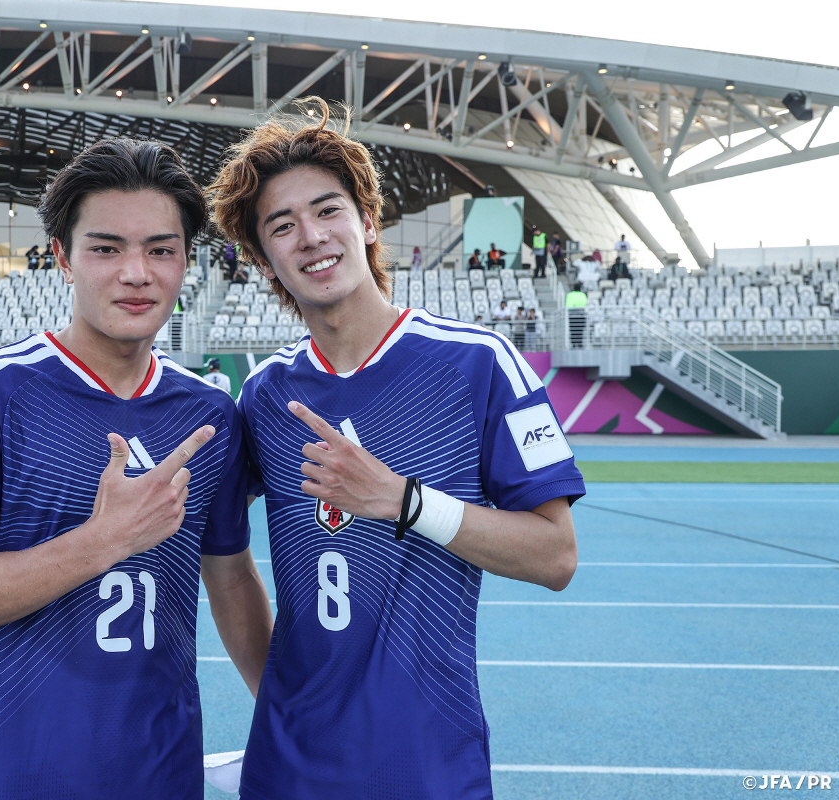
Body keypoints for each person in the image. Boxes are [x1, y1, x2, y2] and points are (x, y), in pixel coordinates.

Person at [208, 97, 583, 799]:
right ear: (262, 260)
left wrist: (405, 501)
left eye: (328, 210)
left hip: (427, 763)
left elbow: (556, 557)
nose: (311, 237)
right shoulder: (263, 395)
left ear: (368, 221)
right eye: (282, 226)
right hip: (289, 768)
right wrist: (285, 703)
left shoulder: (477, 364)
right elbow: (224, 564)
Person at [0, 137, 272, 799]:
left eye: (161, 250)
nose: (136, 273)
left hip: (165, 776)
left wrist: (290, 718)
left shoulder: (210, 414)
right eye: (106, 249)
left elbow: (232, 578)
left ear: (187, 261)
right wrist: (101, 542)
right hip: (17, 779)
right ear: (64, 258)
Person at [565, 281, 589, 348]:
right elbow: (584, 304)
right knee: (580, 330)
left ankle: (573, 344)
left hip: (572, 315)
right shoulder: (583, 295)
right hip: (581, 315)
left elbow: (567, 305)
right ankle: (579, 343)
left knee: (573, 330)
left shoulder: (569, 295)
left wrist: (574, 306)